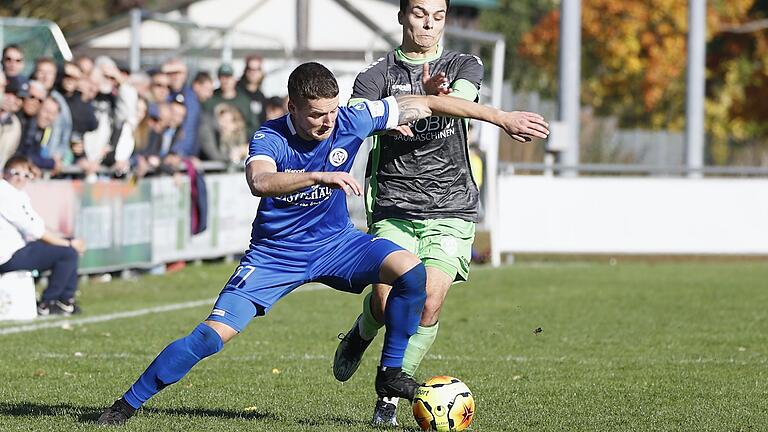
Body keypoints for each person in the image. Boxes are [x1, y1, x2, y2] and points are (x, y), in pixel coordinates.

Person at [96, 61, 548, 426]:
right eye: (316, 114)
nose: (327, 122)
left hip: (336, 244)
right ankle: (124, 406)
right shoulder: (269, 135)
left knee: (410, 271)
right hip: (276, 256)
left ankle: (390, 373)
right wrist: (316, 175)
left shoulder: (351, 118)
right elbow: (260, 180)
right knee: (210, 338)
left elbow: (428, 103)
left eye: (332, 112)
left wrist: (503, 118)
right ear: (292, 106)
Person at [332, 0, 543, 425]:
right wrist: (388, 115)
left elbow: (454, 104)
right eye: (418, 13)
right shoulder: (375, 76)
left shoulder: (464, 64)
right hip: (393, 201)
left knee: (428, 300)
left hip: (450, 204)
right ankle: (362, 332)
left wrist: (429, 99)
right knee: (384, 297)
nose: (428, 24)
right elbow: (358, 117)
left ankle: (390, 393)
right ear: (401, 16)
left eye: (438, 16)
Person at [0, 155, 87, 315]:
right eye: (15, 173)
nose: (21, 179)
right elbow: (35, 231)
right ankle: (48, 302)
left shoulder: (17, 194)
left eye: (25, 175)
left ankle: (65, 300)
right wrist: (68, 244)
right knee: (67, 252)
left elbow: (38, 225)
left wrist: (66, 241)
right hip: (8, 255)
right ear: (4, 173)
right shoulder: (4, 193)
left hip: (19, 249)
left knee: (67, 246)